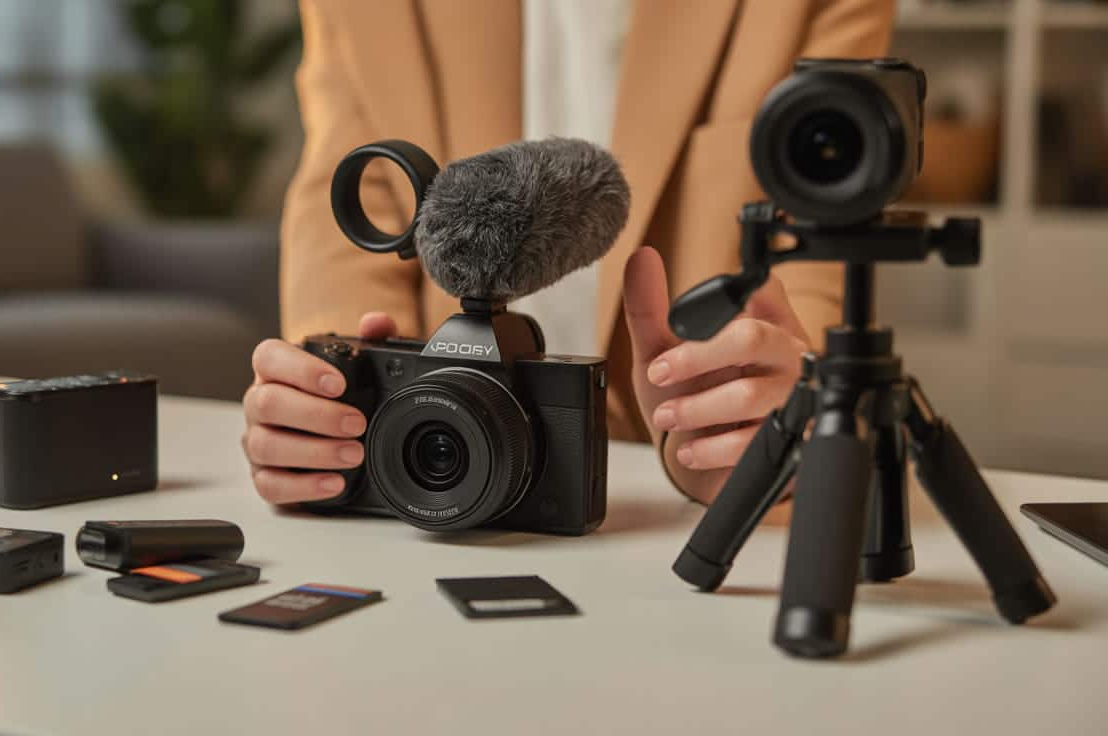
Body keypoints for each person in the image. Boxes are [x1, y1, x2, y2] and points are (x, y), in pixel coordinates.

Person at [242, 0, 895, 510]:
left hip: (667, 505)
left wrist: (770, 420)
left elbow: (814, 246)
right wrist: (328, 417)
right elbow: (356, 193)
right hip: (436, 481)